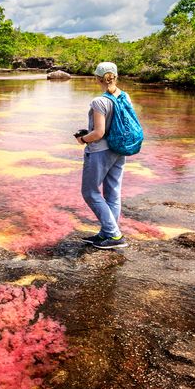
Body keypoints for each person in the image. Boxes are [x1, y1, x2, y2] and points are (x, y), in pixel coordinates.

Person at [76, 62, 128, 249]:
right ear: (115, 76)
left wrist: (83, 139)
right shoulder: (124, 97)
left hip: (100, 151)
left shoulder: (99, 102)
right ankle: (107, 233)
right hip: (119, 149)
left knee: (90, 192)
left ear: (97, 78)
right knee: (113, 192)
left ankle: (114, 235)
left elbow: (98, 133)